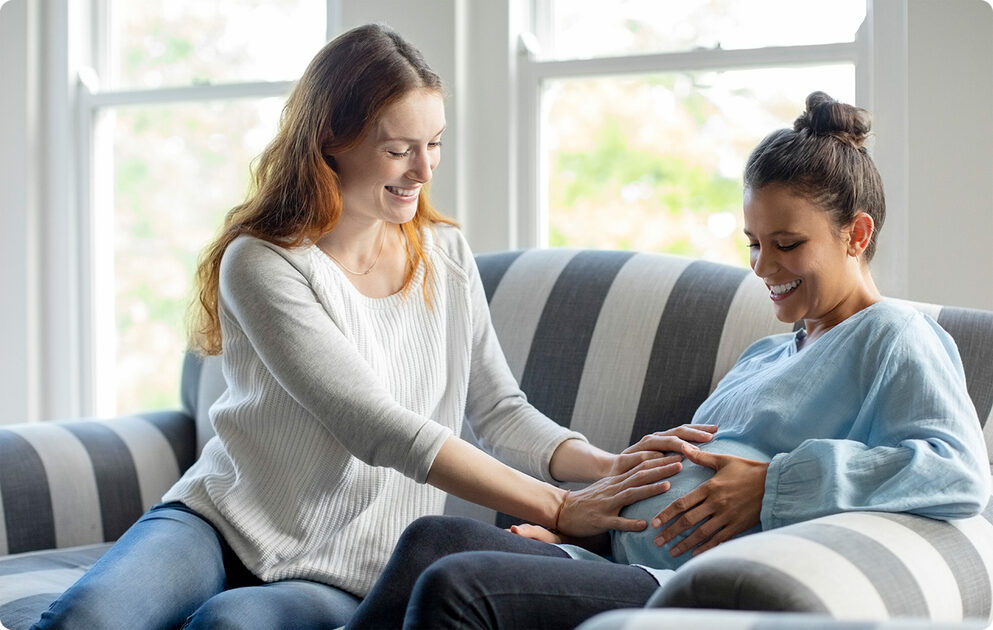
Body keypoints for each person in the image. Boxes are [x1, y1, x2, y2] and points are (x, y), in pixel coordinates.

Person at [31, 24, 711, 630]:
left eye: (434, 144)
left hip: (353, 566)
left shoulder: (445, 255)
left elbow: (500, 411)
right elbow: (376, 426)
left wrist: (607, 467)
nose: (424, 169)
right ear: (331, 141)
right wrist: (558, 507)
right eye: (398, 149)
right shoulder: (263, 261)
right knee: (88, 617)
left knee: (232, 623)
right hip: (220, 522)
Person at [344, 91, 992, 630]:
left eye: (787, 244)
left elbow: (957, 473)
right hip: (613, 557)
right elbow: (684, 483)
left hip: (677, 582)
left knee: (459, 585)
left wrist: (774, 486)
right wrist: (581, 535)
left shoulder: (892, 336)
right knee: (431, 541)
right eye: (753, 243)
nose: (762, 267)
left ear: (857, 234)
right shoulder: (766, 355)